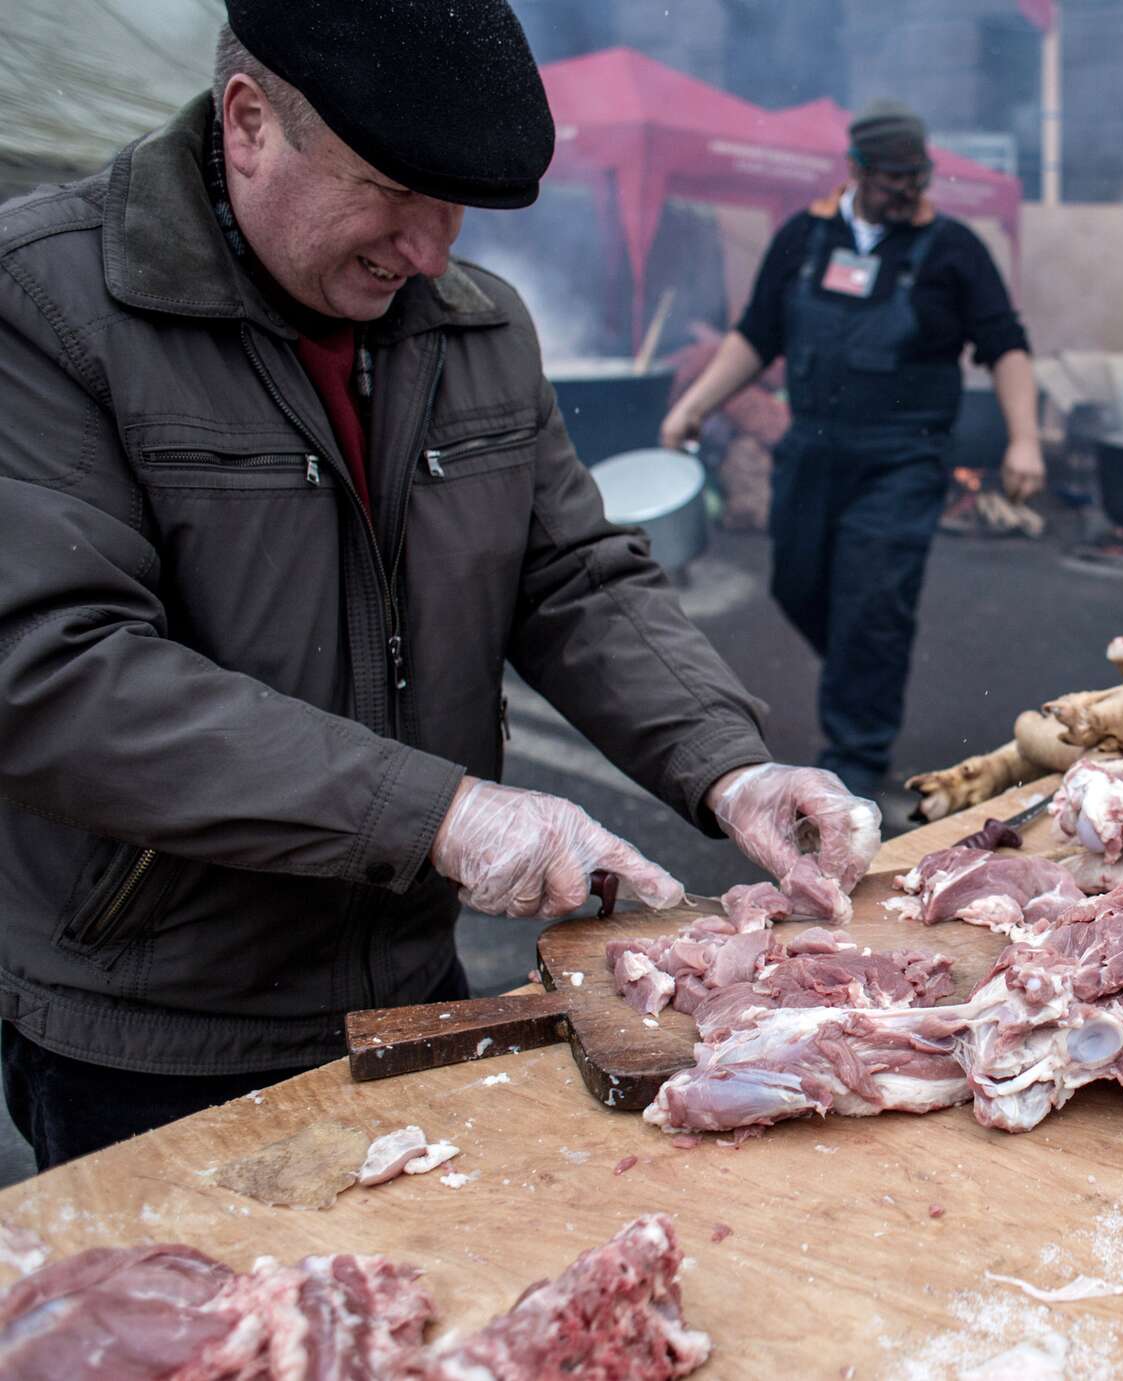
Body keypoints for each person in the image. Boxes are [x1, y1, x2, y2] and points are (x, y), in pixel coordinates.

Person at [0, 0, 879, 1171]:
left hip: (413, 985)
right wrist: (442, 816)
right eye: (393, 192)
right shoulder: (45, 303)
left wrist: (729, 764)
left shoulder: (476, 326)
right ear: (249, 123)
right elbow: (51, 672)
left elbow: (569, 575)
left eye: (455, 207)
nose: (427, 251)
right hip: (158, 1026)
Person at [661, 101, 1041, 800]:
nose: (910, 191)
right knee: (797, 582)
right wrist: (694, 405)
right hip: (811, 447)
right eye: (895, 178)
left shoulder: (953, 249)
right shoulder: (804, 238)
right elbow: (756, 335)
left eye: (919, 176)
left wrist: (1025, 439)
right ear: (857, 169)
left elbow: (1006, 344)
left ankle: (857, 755)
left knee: (872, 600)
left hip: (903, 456)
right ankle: (862, 675)